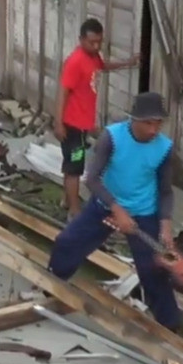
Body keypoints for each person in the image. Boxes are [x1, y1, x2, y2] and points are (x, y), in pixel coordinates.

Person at [47, 92, 181, 331]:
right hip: (105, 205)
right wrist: (117, 209)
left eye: (158, 123)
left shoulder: (164, 148)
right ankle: (51, 287)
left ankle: (170, 330)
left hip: (144, 213)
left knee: (154, 273)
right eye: (148, 123)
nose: (153, 130)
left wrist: (165, 225)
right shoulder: (112, 137)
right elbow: (92, 179)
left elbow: (166, 191)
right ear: (133, 119)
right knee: (67, 243)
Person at [54, 18, 140, 218]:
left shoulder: (93, 57)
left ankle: (67, 199)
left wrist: (128, 63)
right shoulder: (75, 61)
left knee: (72, 163)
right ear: (81, 39)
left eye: (99, 42)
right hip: (72, 125)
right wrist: (58, 122)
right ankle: (75, 210)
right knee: (75, 167)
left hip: (82, 124)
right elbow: (63, 91)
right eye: (91, 42)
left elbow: (103, 66)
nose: (96, 46)